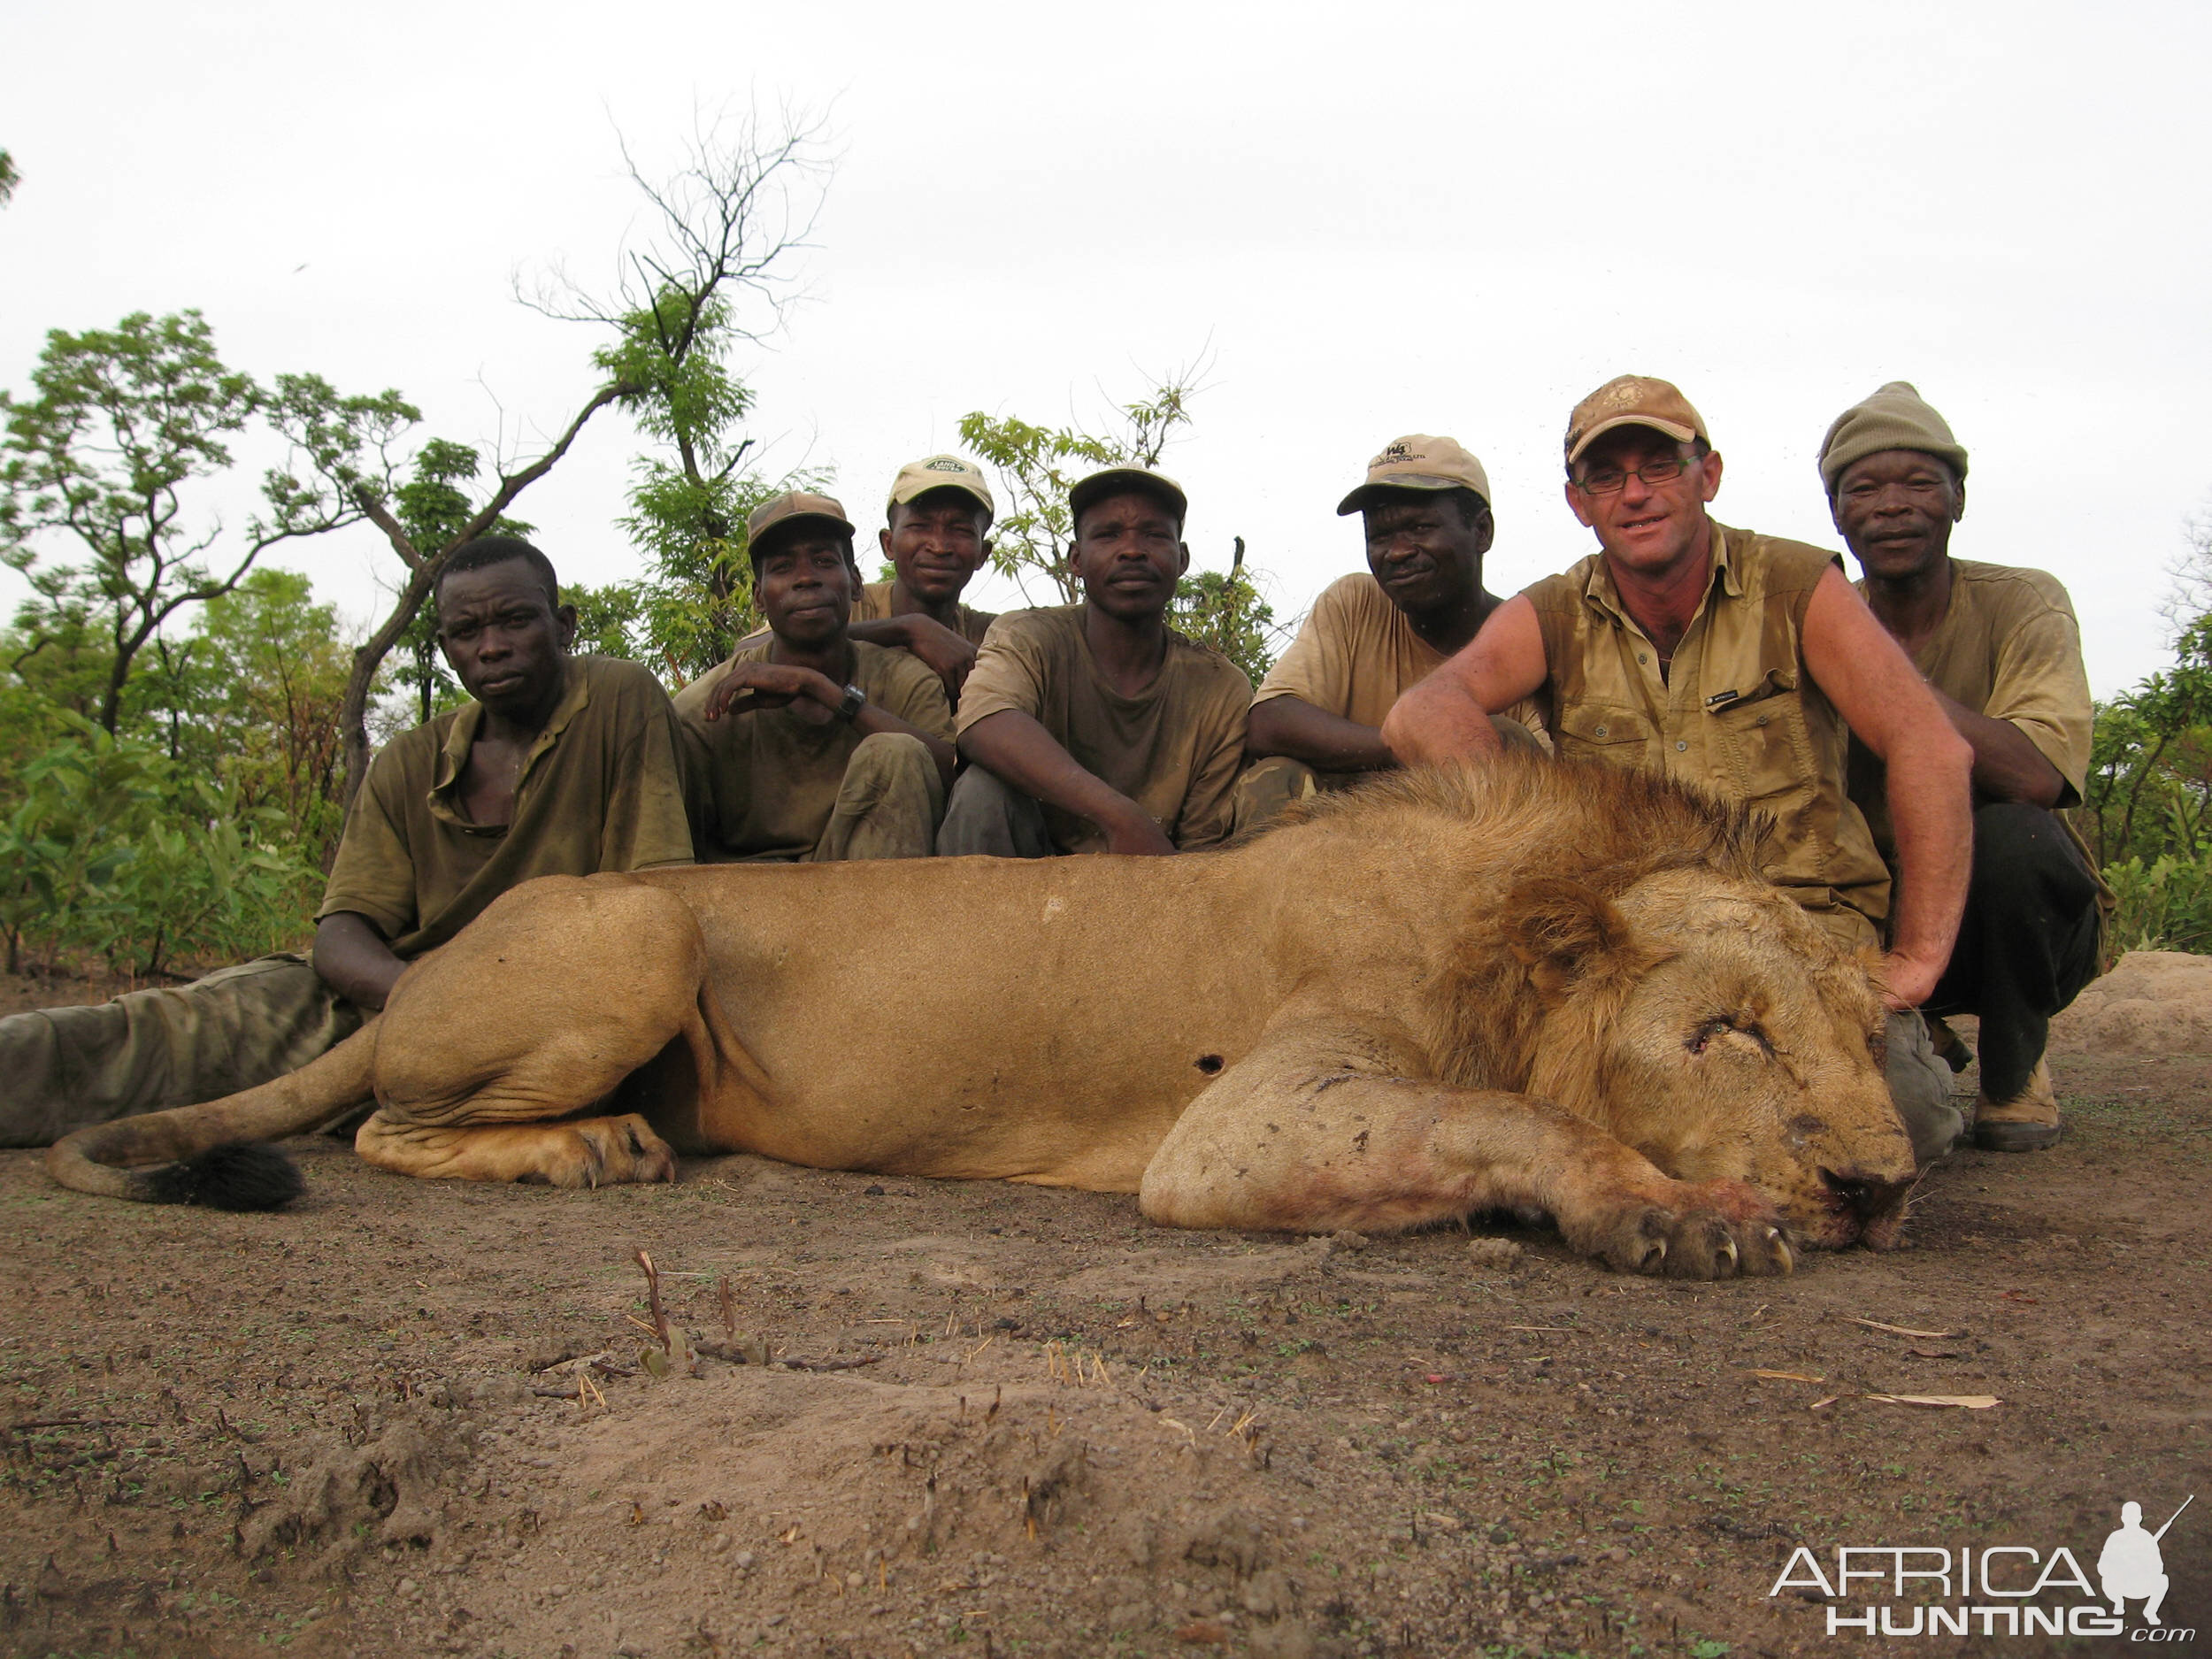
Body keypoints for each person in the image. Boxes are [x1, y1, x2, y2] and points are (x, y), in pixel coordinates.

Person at [1380, 374, 1976, 1164]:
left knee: (1905, 1127)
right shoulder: (1556, 609)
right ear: (1577, 501)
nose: (1635, 494)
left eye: (1660, 465)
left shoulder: (1797, 586)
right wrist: (1522, 835)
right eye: (1607, 475)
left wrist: (1920, 959)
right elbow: (1420, 712)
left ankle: (1909, 1039)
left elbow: (1930, 746)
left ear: (1710, 474)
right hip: (1645, 951)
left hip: (1801, 936)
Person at [0, 535, 696, 1147]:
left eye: (516, 620)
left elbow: (655, 892)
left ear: (564, 624)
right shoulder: (406, 761)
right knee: (155, 1032)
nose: (491, 646)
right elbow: (341, 937)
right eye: (465, 630)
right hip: (389, 1000)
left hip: (537, 1023)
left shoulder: (617, 699)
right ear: (446, 645)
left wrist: (480, 1017)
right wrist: (434, 1005)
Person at [1821, 382, 2106, 1151]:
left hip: (2004, 912)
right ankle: (1919, 1034)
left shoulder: (2022, 603)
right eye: (1864, 489)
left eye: (1918, 483)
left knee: (2020, 836)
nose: (1891, 507)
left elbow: (2039, 773)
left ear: (1958, 498)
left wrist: (1878, 676)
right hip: (1866, 920)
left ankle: (2016, 1069)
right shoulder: (1813, 623)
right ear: (1836, 514)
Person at [941, 465, 1250, 857]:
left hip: (1156, 891)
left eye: (1155, 535)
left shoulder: (1220, 687)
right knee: (981, 791)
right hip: (1023, 889)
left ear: (1182, 559)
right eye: (1108, 535)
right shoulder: (1028, 635)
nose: (1133, 550)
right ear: (1076, 560)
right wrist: (1119, 817)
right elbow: (985, 723)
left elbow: (1203, 847)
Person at [1240, 434, 1546, 825]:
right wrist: (1410, 740)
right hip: (1338, 841)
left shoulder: (1526, 633)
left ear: (1481, 531)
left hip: (1469, 846)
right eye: (1380, 536)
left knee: (1508, 741)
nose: (1397, 552)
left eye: (1420, 527)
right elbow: (1271, 720)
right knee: (1275, 778)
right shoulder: (1355, 602)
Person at [678, 490, 954, 862]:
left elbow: (955, 776)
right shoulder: (705, 704)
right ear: (759, 598)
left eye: (824, 561)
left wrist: (826, 692)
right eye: (782, 568)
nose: (806, 578)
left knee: (897, 751)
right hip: (751, 900)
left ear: (855, 584)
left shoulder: (905, 679)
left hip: (871, 896)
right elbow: (677, 845)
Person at [842, 454, 1001, 704]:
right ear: (888, 544)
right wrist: (909, 630)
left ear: (982, 554)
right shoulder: (847, 607)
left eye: (960, 530)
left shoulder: (994, 636)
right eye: (919, 526)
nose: (939, 546)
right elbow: (766, 650)